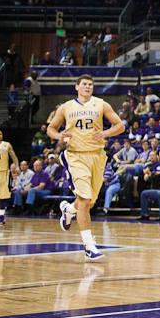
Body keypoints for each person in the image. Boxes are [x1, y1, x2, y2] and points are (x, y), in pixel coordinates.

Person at [47, 75, 126, 261]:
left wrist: (104, 133)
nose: (88, 87)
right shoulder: (66, 107)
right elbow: (50, 128)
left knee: (88, 203)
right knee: (84, 199)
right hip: (75, 156)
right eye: (84, 84)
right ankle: (89, 246)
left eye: (90, 85)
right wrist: (59, 136)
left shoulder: (101, 104)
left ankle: (68, 210)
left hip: (97, 156)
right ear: (77, 87)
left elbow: (120, 125)